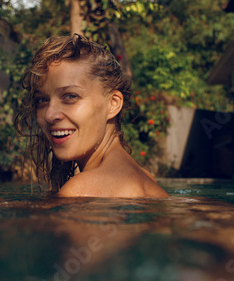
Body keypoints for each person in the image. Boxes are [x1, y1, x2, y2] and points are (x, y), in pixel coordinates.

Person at [15, 34, 169, 198]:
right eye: (42, 100)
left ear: (113, 104)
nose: (49, 115)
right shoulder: (146, 179)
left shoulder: (80, 191)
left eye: (70, 96)